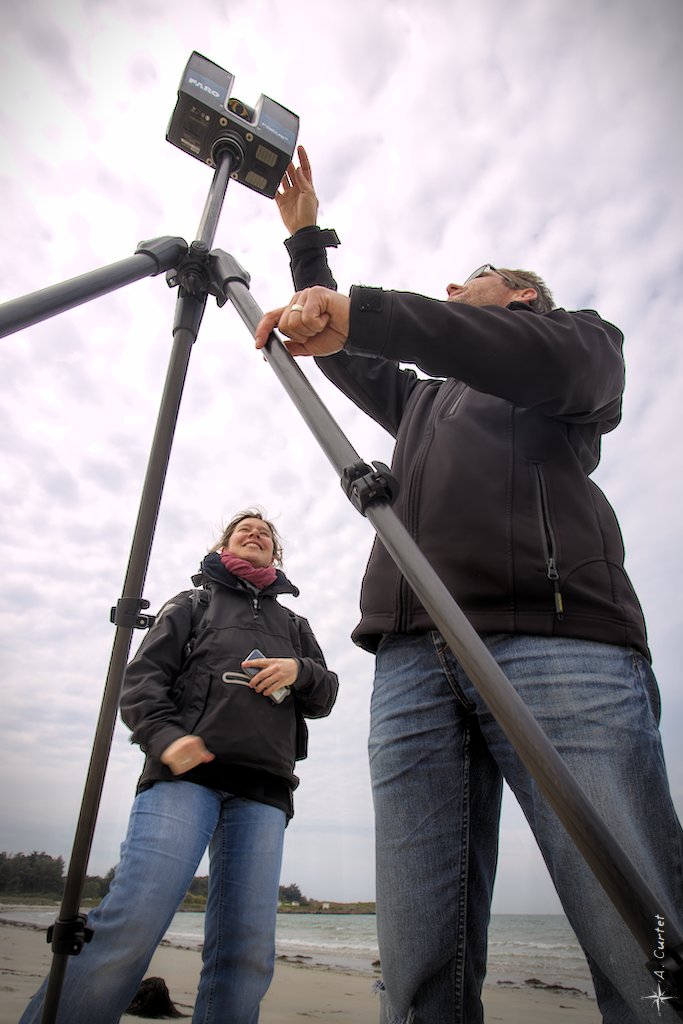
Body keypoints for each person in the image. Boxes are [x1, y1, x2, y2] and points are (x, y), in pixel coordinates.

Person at [254, 148, 683, 1023]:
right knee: (417, 967)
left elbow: (446, 338)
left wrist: (373, 312)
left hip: (560, 647)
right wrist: (306, 247)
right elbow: (349, 354)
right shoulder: (421, 404)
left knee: (641, 942)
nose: (449, 290)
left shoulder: (580, 350)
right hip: (412, 659)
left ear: (522, 294)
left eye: (470, 279)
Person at [20, 508, 338, 1024]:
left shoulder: (295, 625)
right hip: (185, 778)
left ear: (276, 555)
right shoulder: (193, 603)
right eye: (243, 531)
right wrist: (167, 739)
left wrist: (299, 670)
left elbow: (326, 694)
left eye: (265, 534)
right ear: (223, 548)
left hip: (265, 789)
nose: (255, 534)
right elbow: (141, 681)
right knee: (134, 921)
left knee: (247, 951)